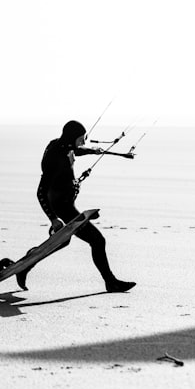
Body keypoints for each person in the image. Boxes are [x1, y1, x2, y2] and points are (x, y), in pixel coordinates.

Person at [37, 120, 136, 292]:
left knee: (61, 243)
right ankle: (110, 282)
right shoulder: (54, 156)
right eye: (81, 138)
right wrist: (53, 219)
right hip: (62, 207)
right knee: (98, 241)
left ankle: (24, 267)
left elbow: (74, 150)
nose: (84, 141)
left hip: (67, 204)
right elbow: (40, 192)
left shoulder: (61, 146)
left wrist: (93, 151)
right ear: (71, 138)